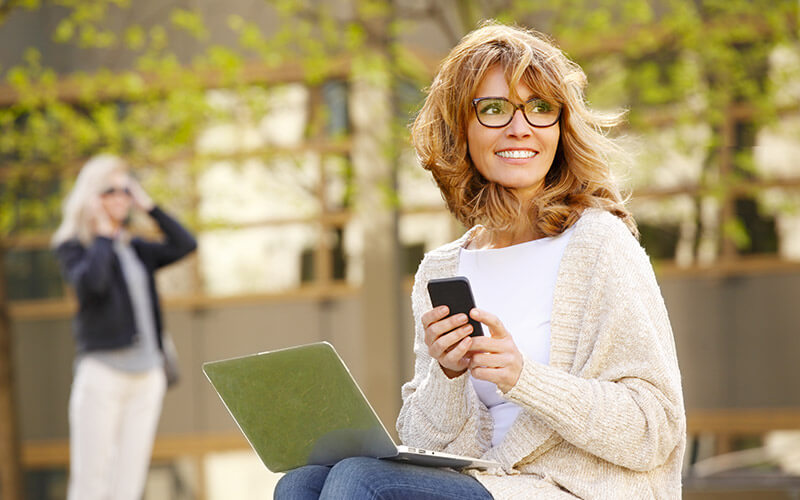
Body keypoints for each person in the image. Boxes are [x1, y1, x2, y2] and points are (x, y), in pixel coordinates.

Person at [275, 21, 685, 499]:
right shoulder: (442, 269)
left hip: (576, 491)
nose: (520, 127)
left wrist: (523, 378)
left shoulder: (599, 244)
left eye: (540, 108)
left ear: (561, 125)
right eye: (494, 109)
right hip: (489, 485)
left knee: (361, 481)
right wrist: (448, 376)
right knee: (303, 483)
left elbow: (653, 430)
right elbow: (426, 444)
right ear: (459, 130)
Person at [52, 154, 197, 500]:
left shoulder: (135, 246)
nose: (120, 197)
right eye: (110, 190)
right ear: (90, 195)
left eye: (125, 190)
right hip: (103, 372)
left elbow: (185, 244)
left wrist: (150, 206)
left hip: (147, 375)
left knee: (128, 481)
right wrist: (102, 235)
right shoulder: (73, 246)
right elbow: (92, 286)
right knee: (92, 479)